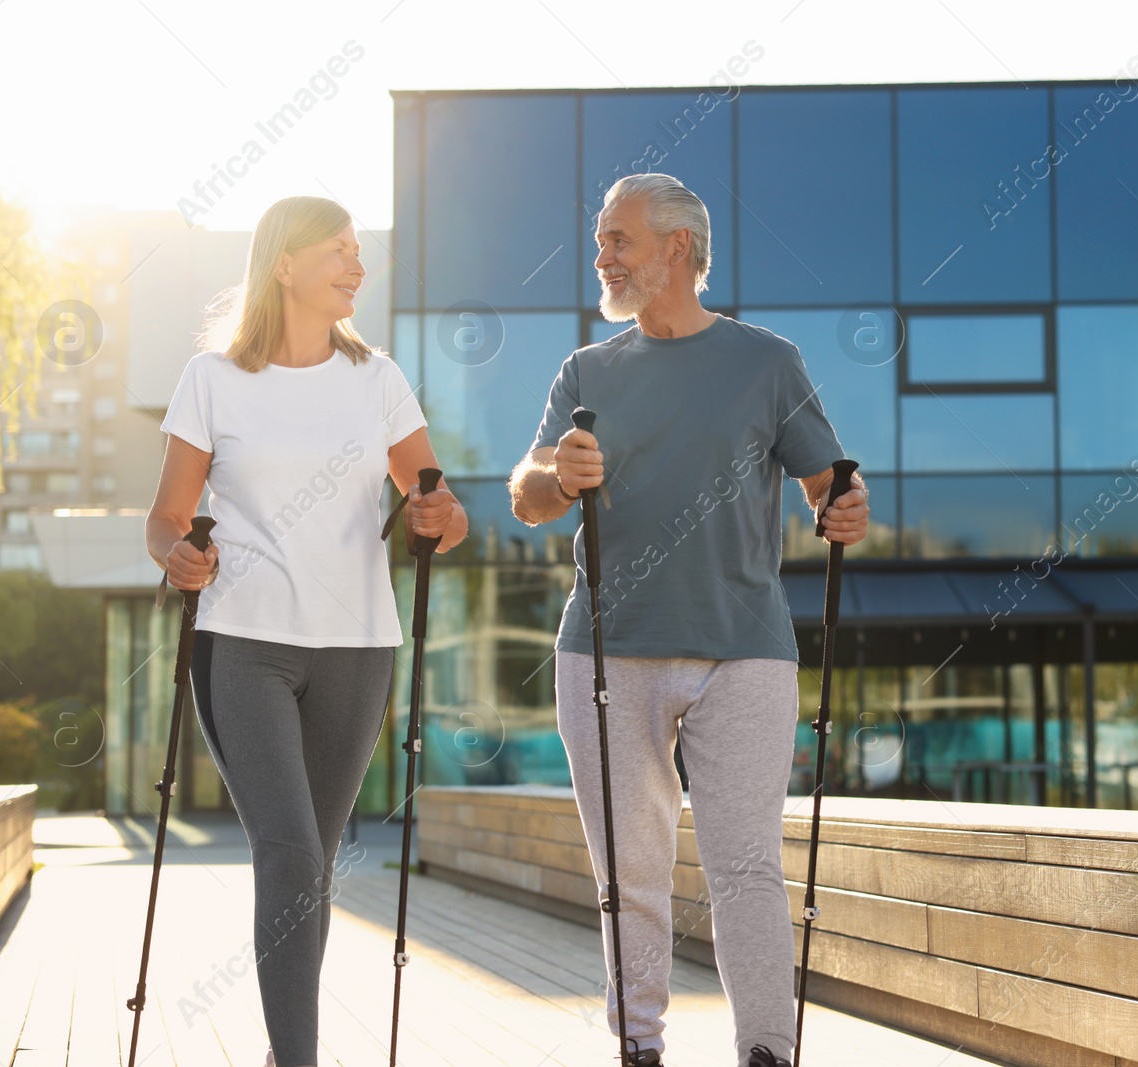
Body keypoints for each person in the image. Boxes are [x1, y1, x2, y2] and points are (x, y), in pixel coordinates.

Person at [508, 174, 870, 1067]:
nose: (603, 256)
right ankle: (639, 1048)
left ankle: (766, 1051)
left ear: (678, 247)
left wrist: (850, 508)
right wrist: (563, 475)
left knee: (745, 864)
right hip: (605, 653)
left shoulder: (766, 361)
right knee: (628, 873)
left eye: (619, 239)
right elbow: (526, 496)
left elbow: (833, 486)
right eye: (602, 240)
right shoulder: (585, 374)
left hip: (742, 652)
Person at [146, 195, 468, 1067]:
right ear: (283, 263)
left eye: (359, 250)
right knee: (289, 849)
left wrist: (437, 513)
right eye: (338, 249)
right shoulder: (211, 379)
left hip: (358, 648)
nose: (356, 265)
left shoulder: (378, 380)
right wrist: (179, 556)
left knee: (312, 866)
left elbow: (438, 508)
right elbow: (168, 516)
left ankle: (285, 1049)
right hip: (242, 643)